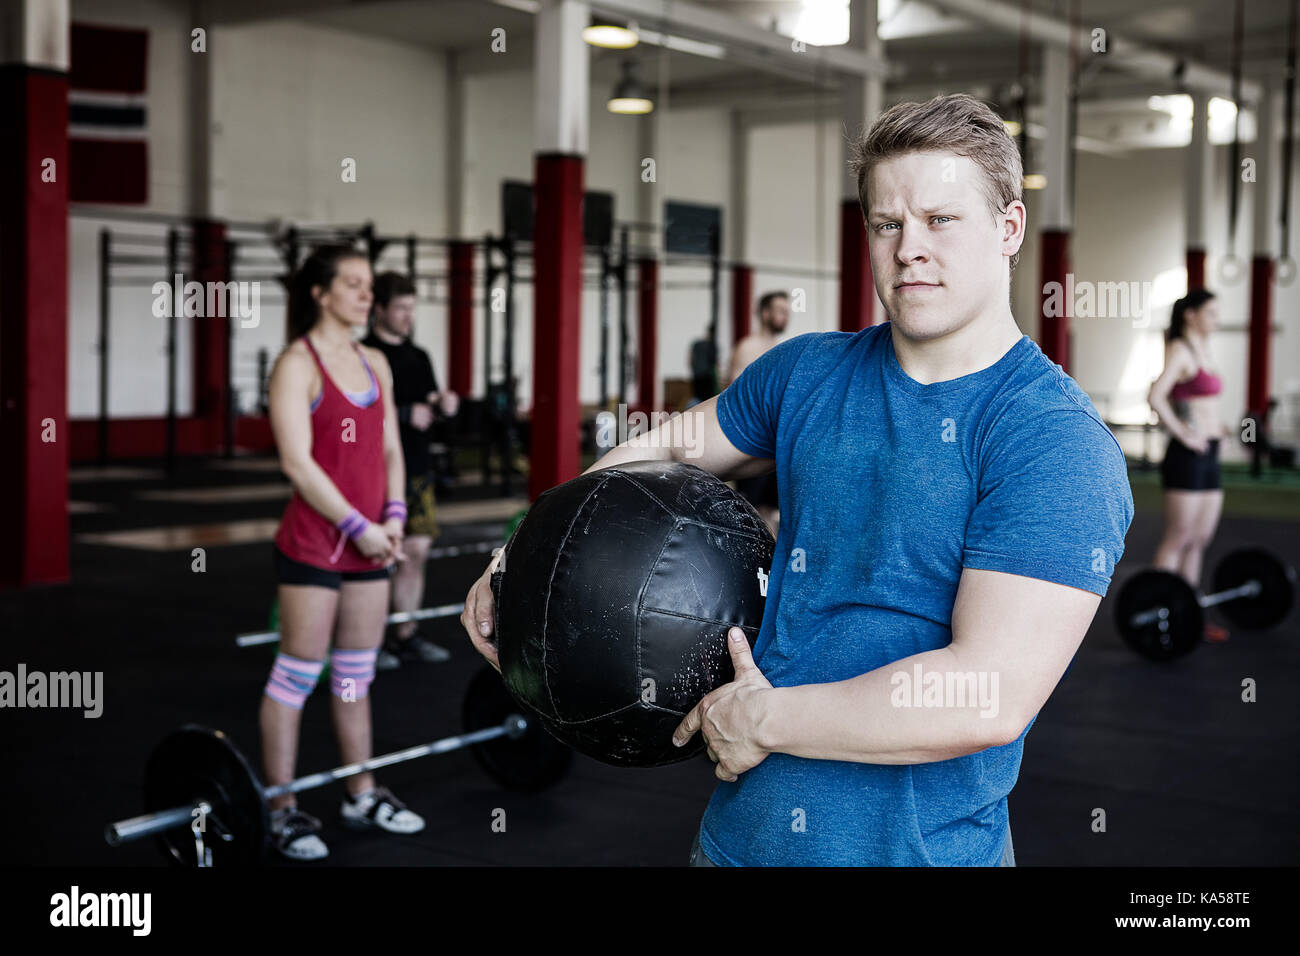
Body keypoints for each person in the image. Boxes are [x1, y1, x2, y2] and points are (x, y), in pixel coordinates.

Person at [462, 92, 1134, 867]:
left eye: (941, 220)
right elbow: (670, 450)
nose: (909, 247)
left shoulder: (1052, 442)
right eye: (888, 223)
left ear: (1009, 228)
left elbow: (985, 692)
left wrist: (767, 722)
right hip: (736, 842)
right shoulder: (808, 371)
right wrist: (526, 550)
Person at [264, 245, 425, 861]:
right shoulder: (295, 365)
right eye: (353, 285)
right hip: (315, 544)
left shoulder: (375, 362)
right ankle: (282, 809)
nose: (366, 295)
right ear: (320, 293)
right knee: (297, 676)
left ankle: (361, 791)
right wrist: (357, 523)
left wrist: (394, 515)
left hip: (370, 541)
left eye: (367, 286)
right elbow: (296, 463)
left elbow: (389, 449)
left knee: (356, 675)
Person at [362, 272, 459, 669]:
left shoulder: (419, 358)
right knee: (378, 555)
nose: (407, 316)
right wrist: (403, 413)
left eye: (411, 308)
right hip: (373, 470)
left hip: (415, 468)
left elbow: (429, 413)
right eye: (400, 308)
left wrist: (443, 405)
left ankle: (406, 635)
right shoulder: (362, 355)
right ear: (379, 309)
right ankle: (368, 641)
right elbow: (352, 418)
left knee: (415, 552)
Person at [1146, 289, 1228, 641]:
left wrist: (1216, 429)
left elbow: (1200, 401)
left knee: (1199, 539)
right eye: (1210, 312)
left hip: (1210, 455)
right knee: (1178, 538)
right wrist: (1183, 432)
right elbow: (1154, 396)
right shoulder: (1181, 349)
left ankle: (1187, 615)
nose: (1216, 319)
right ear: (1191, 315)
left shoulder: (1205, 351)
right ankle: (1154, 612)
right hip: (1187, 458)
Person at [726, 291, 791, 536]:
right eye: (780, 311)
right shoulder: (748, 347)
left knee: (774, 511)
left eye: (787, 312)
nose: (785, 316)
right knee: (751, 511)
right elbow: (735, 397)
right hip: (752, 443)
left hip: (777, 445)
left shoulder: (783, 348)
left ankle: (774, 565)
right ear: (765, 313)